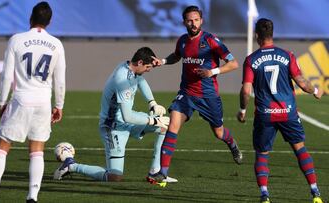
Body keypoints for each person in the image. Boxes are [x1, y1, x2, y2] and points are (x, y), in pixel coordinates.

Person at [0, 2, 66, 203]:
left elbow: (7, 76)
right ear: (49, 22)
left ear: (30, 18)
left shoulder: (17, 40)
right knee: (37, 149)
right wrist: (59, 105)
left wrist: (1, 101)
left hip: (21, 99)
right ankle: (32, 198)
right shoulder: (56, 44)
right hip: (43, 102)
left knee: (1, 146)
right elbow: (60, 80)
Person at [148, 5, 242, 185]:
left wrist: (212, 72)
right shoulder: (182, 41)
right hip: (187, 93)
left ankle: (232, 144)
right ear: (184, 22)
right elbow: (177, 56)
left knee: (219, 132)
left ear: (201, 21)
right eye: (190, 20)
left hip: (208, 96)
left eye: (196, 20)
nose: (193, 23)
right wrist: (163, 61)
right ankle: (163, 172)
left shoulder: (211, 41)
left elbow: (234, 63)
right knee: (173, 125)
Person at [53, 47, 177, 184]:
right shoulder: (122, 80)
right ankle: (71, 166)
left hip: (126, 122)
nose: (149, 70)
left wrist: (152, 102)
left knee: (165, 127)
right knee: (114, 177)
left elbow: (140, 80)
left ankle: (156, 172)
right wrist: (153, 120)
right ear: (140, 62)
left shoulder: (129, 66)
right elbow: (127, 116)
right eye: (148, 67)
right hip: (113, 128)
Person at [237, 18, 324, 203]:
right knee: (300, 149)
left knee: (262, 154)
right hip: (288, 113)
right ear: (272, 34)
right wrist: (316, 91)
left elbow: (246, 90)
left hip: (265, 115)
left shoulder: (251, 60)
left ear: (256, 35)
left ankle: (265, 195)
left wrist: (242, 110)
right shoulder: (287, 55)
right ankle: (315, 193)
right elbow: (302, 83)